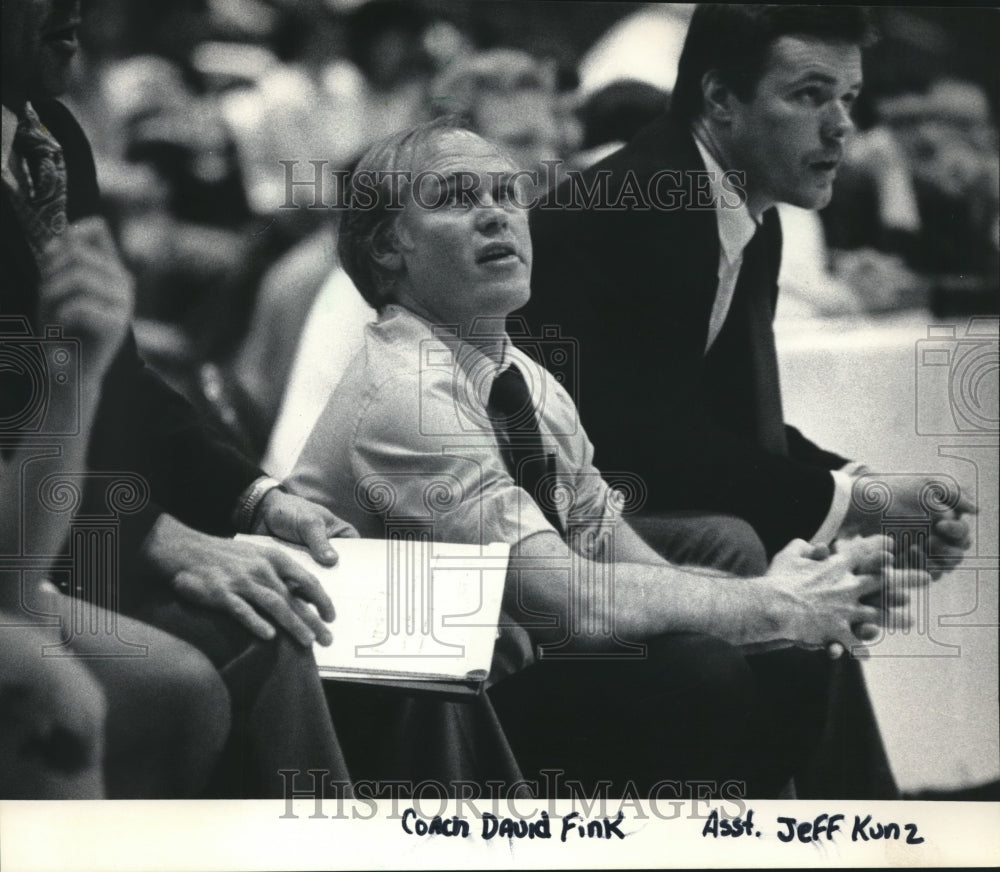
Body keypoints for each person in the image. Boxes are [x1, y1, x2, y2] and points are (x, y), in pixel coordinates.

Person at [287, 118, 925, 797]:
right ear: (390, 247)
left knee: (792, 653)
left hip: (497, 667)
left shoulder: (527, 379)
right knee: (702, 671)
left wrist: (787, 605)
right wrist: (768, 601)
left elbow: (624, 560)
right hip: (398, 717)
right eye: (455, 197)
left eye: (508, 194)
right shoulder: (406, 393)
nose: (496, 215)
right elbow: (571, 603)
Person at [1, 0, 355, 797]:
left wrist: (255, 498)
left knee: (373, 625)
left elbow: (118, 381)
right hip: (33, 543)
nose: (74, 10)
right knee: (229, 655)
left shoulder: (49, 134)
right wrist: (154, 534)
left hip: (66, 525)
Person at [523, 4, 976, 568]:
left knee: (796, 568)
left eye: (849, 98)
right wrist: (852, 504)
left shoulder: (745, 207)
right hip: (533, 515)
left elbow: (734, 424)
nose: (842, 126)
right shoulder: (644, 203)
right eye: (810, 95)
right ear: (719, 100)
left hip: (602, 493)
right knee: (737, 546)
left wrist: (864, 489)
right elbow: (643, 449)